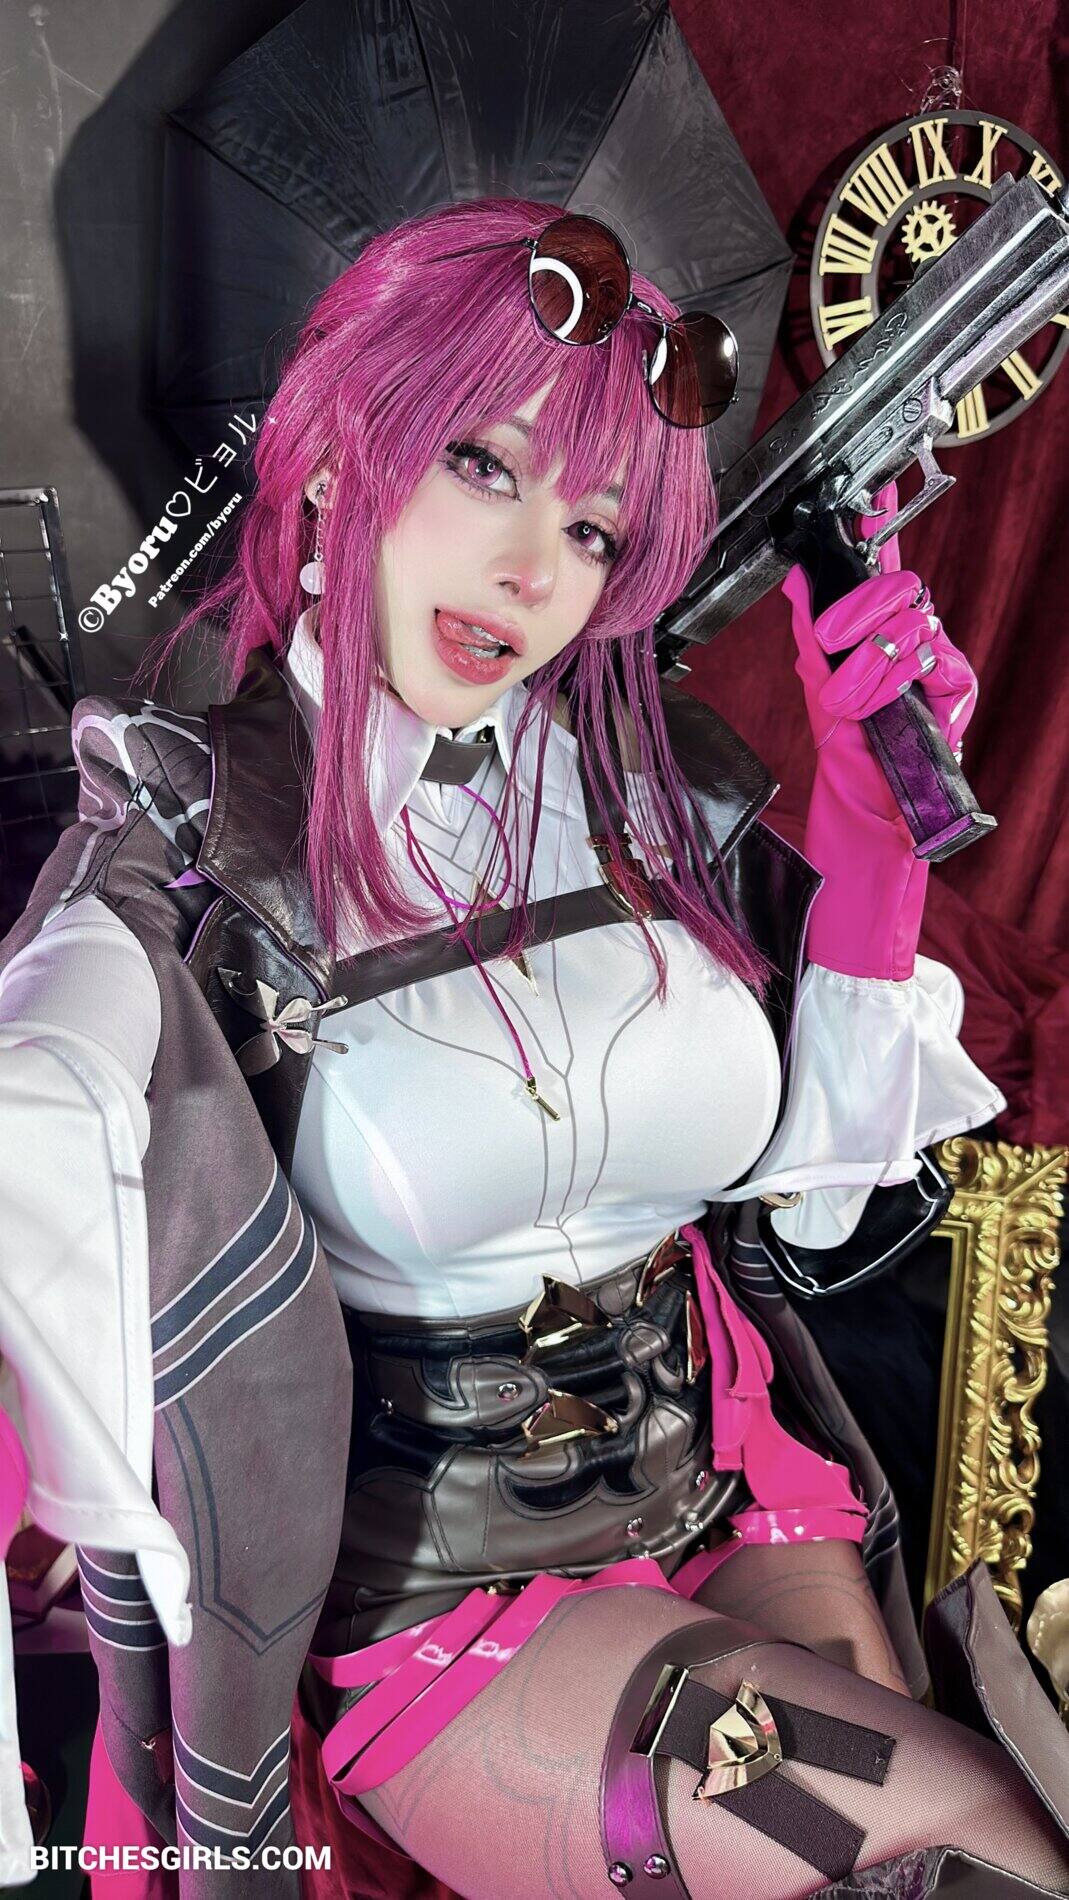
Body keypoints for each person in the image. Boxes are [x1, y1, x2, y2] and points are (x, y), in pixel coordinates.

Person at [0, 197, 1066, 1900]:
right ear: (335, 458)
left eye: (589, 527)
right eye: (483, 467)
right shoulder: (186, 826)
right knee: (955, 1847)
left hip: (732, 1495)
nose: (531, 573)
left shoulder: (655, 795)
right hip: (441, 1602)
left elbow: (807, 1203)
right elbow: (50, 1047)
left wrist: (875, 846)